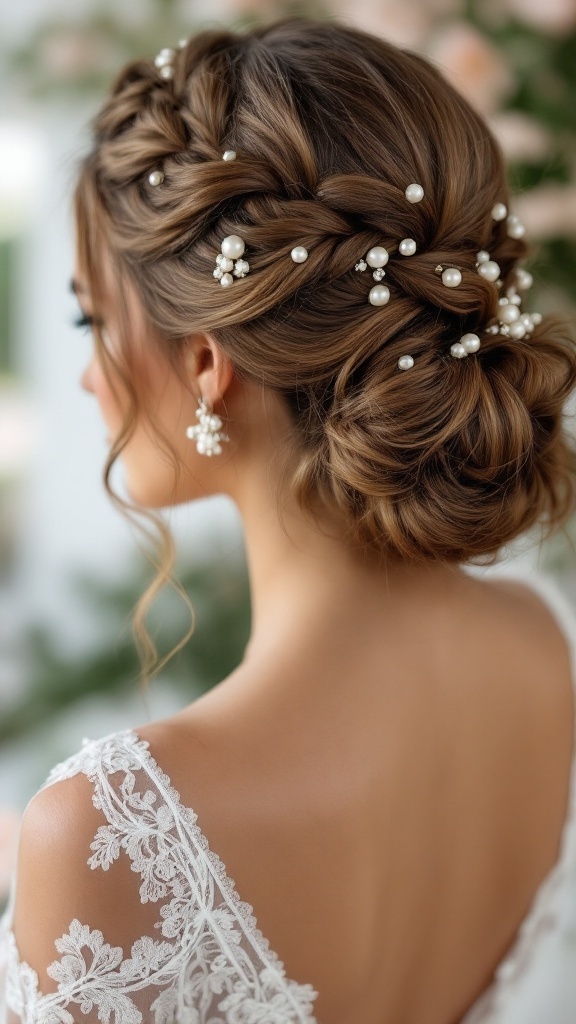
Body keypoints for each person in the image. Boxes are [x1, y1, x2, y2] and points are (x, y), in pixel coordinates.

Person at [1, 16, 576, 1024]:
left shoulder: (109, 835)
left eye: (92, 319)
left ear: (209, 364)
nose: (90, 375)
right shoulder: (543, 642)